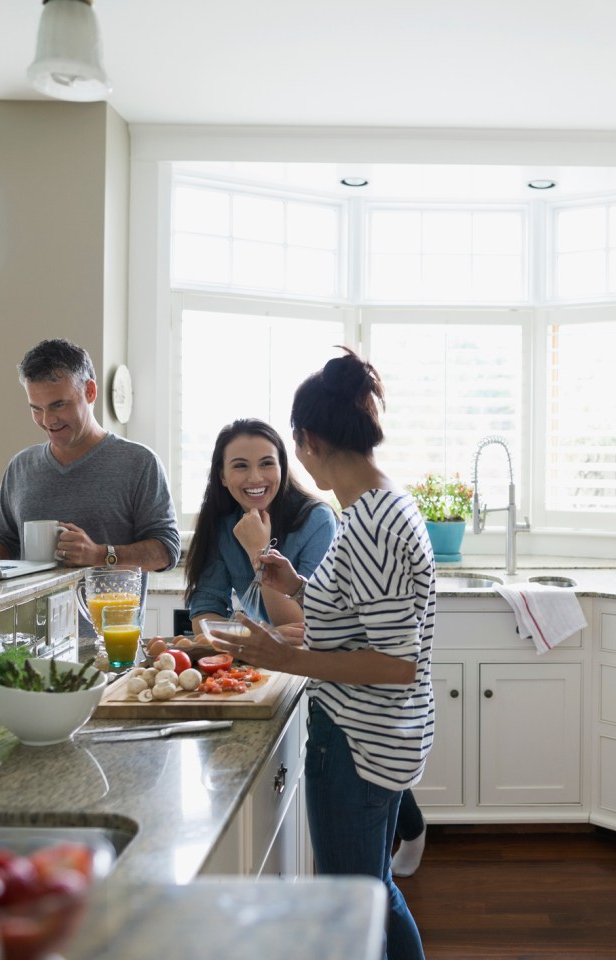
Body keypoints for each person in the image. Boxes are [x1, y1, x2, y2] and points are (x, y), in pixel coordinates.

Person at [224, 348, 433, 960]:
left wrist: (282, 657)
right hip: (374, 735)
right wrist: (296, 587)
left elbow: (395, 664)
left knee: (359, 895)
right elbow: (360, 622)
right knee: (370, 889)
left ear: (307, 440)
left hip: (359, 742)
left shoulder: (374, 525)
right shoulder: (375, 509)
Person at [0, 338, 179, 574]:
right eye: (36, 408)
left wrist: (99, 555)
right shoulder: (20, 466)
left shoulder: (139, 463)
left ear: (90, 391)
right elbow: (2, 540)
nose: (48, 420)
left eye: (58, 405)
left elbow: (166, 550)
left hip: (108, 612)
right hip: (32, 612)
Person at [183, 418, 335, 631]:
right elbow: (205, 612)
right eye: (240, 466)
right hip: (254, 656)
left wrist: (260, 552)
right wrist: (252, 638)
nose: (255, 478)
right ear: (222, 476)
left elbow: (304, 624)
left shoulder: (317, 520)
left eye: (266, 463)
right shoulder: (221, 524)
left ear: (281, 467)